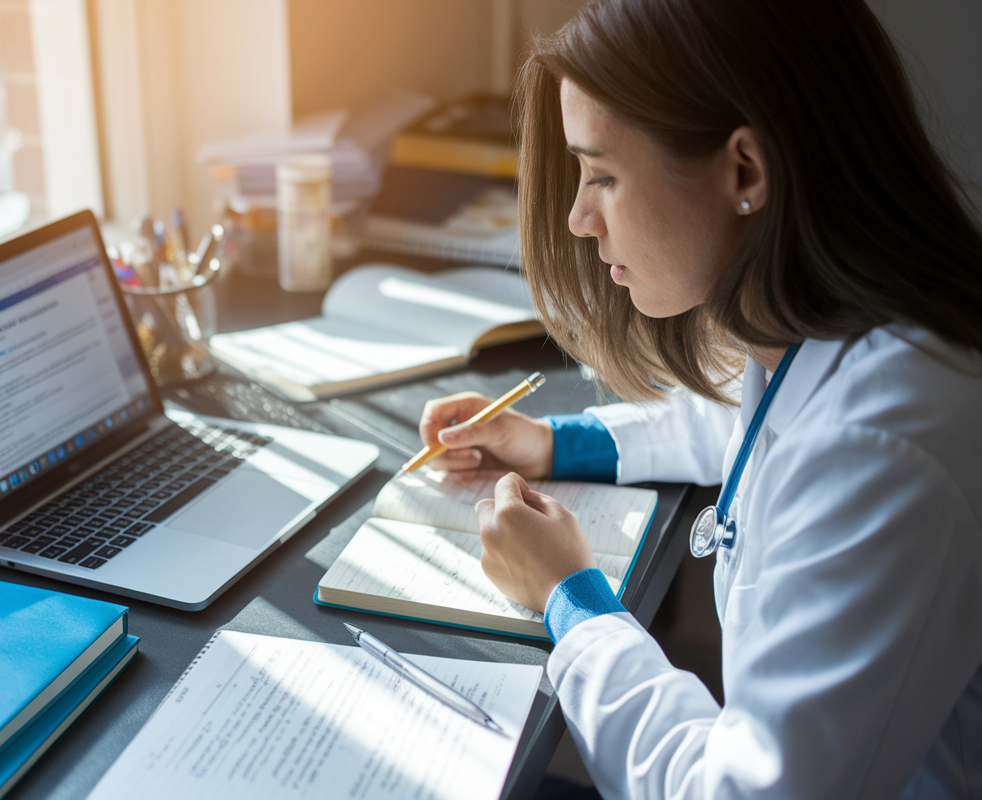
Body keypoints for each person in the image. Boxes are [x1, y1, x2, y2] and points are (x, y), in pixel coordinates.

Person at [416, 0, 982, 797]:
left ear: (745, 171)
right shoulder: (839, 335)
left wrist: (570, 600)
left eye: (603, 175)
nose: (580, 217)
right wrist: (557, 443)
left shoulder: (884, 448)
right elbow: (744, 417)